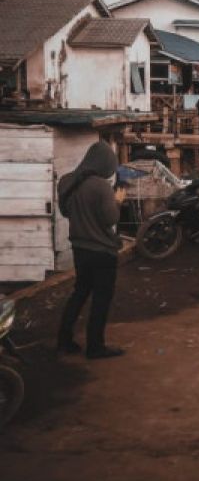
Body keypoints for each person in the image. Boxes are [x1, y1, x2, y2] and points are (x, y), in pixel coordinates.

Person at [56, 142, 126, 359]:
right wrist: (118, 202)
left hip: (80, 248)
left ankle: (64, 339)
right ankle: (95, 346)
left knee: (79, 293)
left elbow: (66, 212)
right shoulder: (101, 186)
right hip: (102, 251)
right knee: (101, 300)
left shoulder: (67, 181)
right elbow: (110, 219)